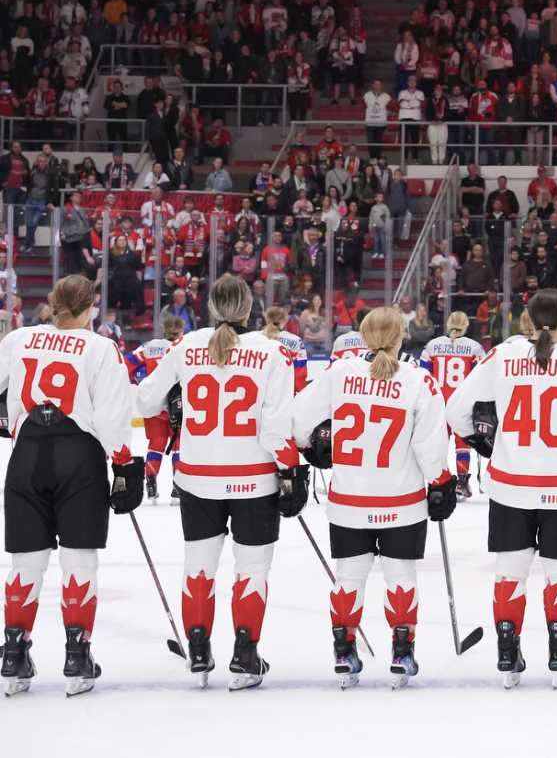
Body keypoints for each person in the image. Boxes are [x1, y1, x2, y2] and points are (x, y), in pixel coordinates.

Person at [134, 275, 298, 691]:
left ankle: (199, 647)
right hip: (254, 480)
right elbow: (276, 429)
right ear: (249, 308)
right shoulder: (273, 352)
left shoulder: (186, 345)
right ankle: (245, 654)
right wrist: (292, 470)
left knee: (198, 567)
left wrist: (176, 397)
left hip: (197, 478)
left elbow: (145, 400)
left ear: (211, 307)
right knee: (252, 568)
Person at [447, 288, 557, 689]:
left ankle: (507, 651)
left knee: (509, 572)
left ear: (528, 316)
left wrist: (482, 443)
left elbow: (455, 410)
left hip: (509, 486)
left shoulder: (502, 355)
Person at [288, 307, 455, 688]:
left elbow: (297, 421)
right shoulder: (417, 380)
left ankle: (344, 650)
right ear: (401, 338)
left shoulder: (339, 372)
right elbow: (430, 446)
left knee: (348, 578)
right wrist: (442, 482)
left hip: (348, 502)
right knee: (401, 577)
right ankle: (402, 651)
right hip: (401, 503)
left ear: (363, 337)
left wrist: (310, 448)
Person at [0, 276, 137, 697]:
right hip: (80, 457)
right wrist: (125, 466)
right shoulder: (101, 347)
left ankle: (13, 654)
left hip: (26, 458)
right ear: (91, 306)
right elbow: (114, 417)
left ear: (52, 303)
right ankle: (77, 655)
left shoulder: (19, 338)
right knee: (79, 560)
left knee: (25, 560)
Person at [419, 312, 486, 500]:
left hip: (438, 403)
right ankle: (462, 482)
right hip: (461, 404)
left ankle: (439, 481)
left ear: (449, 324)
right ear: (466, 326)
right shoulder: (474, 348)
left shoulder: (432, 346)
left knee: (439, 445)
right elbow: (479, 378)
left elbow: (423, 376)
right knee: (462, 445)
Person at [131, 316, 184, 504]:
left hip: (153, 405)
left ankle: (151, 482)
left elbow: (127, 364)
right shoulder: (183, 346)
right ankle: (177, 487)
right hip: (176, 404)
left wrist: (140, 380)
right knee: (178, 446)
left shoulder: (148, 346)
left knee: (156, 443)